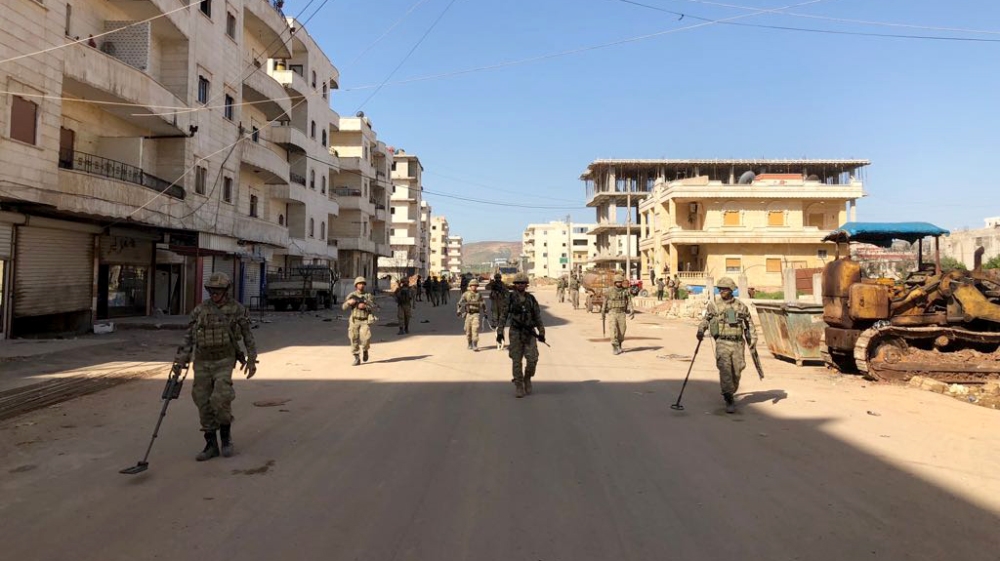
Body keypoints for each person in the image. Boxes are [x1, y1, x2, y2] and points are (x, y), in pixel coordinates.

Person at [173, 272, 257, 461]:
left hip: (224, 359)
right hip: (202, 361)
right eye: (211, 290)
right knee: (202, 401)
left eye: (218, 290)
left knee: (220, 398)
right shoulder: (200, 310)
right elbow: (188, 337)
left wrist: (251, 359)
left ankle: (226, 439)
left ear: (226, 290)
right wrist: (180, 361)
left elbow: (248, 336)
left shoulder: (237, 309)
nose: (214, 294)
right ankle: (211, 444)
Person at [696, 277, 756, 414]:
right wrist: (700, 330)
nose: (721, 291)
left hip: (738, 343)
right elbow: (706, 319)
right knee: (725, 370)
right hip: (722, 342)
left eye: (724, 289)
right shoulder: (714, 305)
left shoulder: (741, 306)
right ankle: (728, 397)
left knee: (738, 370)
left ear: (731, 290)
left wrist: (753, 340)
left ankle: (730, 390)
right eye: (720, 289)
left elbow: (750, 324)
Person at [497, 273, 544, 398]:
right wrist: (500, 332)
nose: (520, 285)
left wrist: (541, 332)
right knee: (516, 360)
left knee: (532, 359)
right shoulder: (510, 298)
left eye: (523, 283)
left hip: (529, 333)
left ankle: (527, 378)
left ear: (526, 285)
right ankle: (519, 384)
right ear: (515, 285)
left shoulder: (531, 299)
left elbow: (537, 316)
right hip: (515, 332)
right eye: (518, 283)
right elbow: (503, 316)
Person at [342, 276, 377, 366]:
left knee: (366, 339)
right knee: (353, 338)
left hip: (364, 320)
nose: (361, 285)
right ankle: (356, 357)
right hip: (354, 320)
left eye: (363, 284)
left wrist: (365, 306)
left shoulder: (368, 295)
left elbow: (374, 306)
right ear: (356, 285)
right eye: (359, 284)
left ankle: (365, 350)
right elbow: (343, 307)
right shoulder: (352, 295)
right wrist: (349, 303)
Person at [602, 274, 635, 355]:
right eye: (617, 282)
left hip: (621, 313)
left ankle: (619, 345)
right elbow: (605, 300)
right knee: (613, 330)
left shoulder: (625, 291)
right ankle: (615, 347)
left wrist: (632, 310)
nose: (619, 283)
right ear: (614, 282)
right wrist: (603, 310)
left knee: (622, 331)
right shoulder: (609, 290)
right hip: (612, 312)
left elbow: (629, 301)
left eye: (620, 282)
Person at [457, 278, 484, 351]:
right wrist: (458, 310)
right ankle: (469, 344)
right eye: (472, 285)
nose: (474, 287)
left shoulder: (479, 294)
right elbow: (460, 303)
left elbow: (483, 303)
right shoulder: (466, 294)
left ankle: (475, 345)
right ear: (470, 286)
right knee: (468, 331)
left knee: (475, 329)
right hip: (468, 314)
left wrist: (485, 312)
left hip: (476, 314)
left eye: (475, 285)